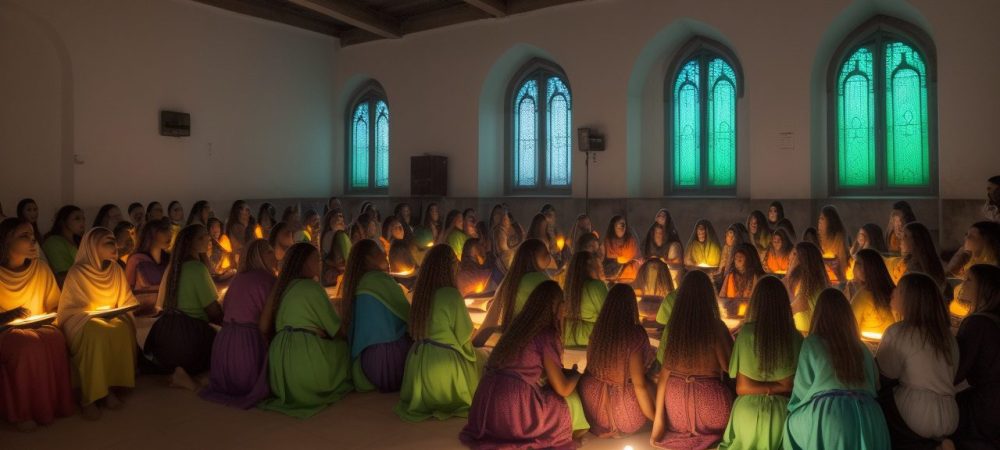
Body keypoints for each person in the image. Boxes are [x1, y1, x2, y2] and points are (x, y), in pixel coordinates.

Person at [460, 281, 590, 449]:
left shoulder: (517, 328)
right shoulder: (546, 334)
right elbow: (562, 388)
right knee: (568, 400)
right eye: (562, 302)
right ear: (556, 307)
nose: (565, 307)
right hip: (513, 406)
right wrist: (577, 375)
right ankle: (566, 435)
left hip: (485, 407)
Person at [782, 289, 890, 450]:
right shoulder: (862, 348)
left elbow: (801, 391)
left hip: (828, 415)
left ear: (818, 315)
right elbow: (876, 385)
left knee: (790, 425)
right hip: (870, 416)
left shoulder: (812, 343)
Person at [258, 243, 352, 418]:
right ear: (303, 263)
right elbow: (338, 331)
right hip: (304, 362)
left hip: (279, 365)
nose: (320, 263)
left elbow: (265, 326)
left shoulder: (283, 288)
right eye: (315, 259)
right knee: (343, 350)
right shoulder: (312, 288)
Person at [395, 244, 486, 422]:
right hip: (445, 369)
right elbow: (464, 336)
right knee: (484, 358)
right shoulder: (451, 295)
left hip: (419, 366)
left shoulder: (421, 295)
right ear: (450, 267)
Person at [0, 218, 74, 431]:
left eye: (33, 236)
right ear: (5, 241)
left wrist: (48, 317)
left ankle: (54, 405)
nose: (33, 242)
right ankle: (24, 413)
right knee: (26, 345)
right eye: (24, 237)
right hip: (6, 332)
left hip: (39, 325)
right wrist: (9, 317)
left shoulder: (41, 269)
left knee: (55, 338)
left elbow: (54, 305)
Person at [57, 227, 138, 419]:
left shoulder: (116, 269)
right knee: (96, 333)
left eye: (113, 241)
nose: (115, 246)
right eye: (108, 243)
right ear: (93, 247)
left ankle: (109, 388)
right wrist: (92, 316)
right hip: (82, 321)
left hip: (110, 318)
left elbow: (127, 300)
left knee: (120, 328)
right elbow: (69, 310)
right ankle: (90, 397)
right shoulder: (77, 273)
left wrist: (122, 311)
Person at [651, 270, 734, 450]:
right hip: (711, 408)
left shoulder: (674, 329)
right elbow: (729, 367)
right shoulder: (715, 326)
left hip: (676, 411)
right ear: (709, 296)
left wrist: (659, 422)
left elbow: (664, 375)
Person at [719, 276, 802, 450]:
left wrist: (757, 386)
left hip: (746, 414)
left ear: (755, 303)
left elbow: (742, 388)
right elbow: (790, 385)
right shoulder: (795, 337)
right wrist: (779, 386)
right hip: (782, 414)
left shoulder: (746, 334)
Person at [877, 273, 958, 450]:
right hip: (950, 413)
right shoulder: (947, 336)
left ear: (909, 299)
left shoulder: (899, 332)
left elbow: (886, 373)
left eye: (898, 290)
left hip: (915, 413)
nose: (892, 293)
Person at [200, 240, 277, 409]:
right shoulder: (268, 280)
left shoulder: (237, 279)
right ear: (259, 257)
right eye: (269, 252)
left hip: (224, 345)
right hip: (248, 346)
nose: (275, 255)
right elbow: (272, 320)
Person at [143, 224, 222, 390]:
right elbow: (213, 312)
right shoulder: (197, 268)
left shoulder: (172, 268)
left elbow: (162, 305)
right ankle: (190, 378)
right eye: (201, 237)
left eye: (207, 235)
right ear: (190, 243)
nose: (208, 239)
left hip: (164, 338)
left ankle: (178, 372)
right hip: (190, 339)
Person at [579, 284, 655, 438]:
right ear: (632, 306)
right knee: (651, 382)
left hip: (592, 405)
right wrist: (656, 419)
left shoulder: (598, 331)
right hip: (622, 408)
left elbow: (589, 366)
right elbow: (639, 385)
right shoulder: (634, 334)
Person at [340, 239, 411, 393]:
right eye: (379, 252)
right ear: (368, 259)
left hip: (367, 364)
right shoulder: (379, 280)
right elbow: (409, 315)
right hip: (391, 361)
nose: (384, 254)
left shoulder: (358, 283)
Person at [952, 264, 1000, 449]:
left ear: (986, 287)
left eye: (969, 280)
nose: (963, 284)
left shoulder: (977, 322)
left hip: (986, 407)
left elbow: (958, 371)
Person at [474, 239, 551, 345]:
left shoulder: (509, 281)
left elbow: (491, 317)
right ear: (534, 258)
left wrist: (474, 343)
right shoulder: (542, 281)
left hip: (511, 339)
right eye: (546, 253)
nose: (549, 256)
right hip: (535, 341)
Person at [124, 218, 171, 313]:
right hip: (143, 313)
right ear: (151, 235)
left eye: (168, 231)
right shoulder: (136, 260)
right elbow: (127, 290)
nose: (169, 235)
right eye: (163, 231)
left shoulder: (169, 260)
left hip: (167, 311)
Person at [562, 251, 608, 347]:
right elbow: (608, 317)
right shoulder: (596, 286)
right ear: (589, 265)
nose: (601, 268)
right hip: (593, 341)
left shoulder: (568, 289)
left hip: (567, 341)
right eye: (598, 265)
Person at [849, 249, 897, 336]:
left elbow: (849, 325)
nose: (855, 266)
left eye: (857, 263)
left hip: (870, 346)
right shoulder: (894, 291)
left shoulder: (863, 296)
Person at [784, 242, 829, 333]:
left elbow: (798, 305)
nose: (790, 257)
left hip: (807, 334)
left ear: (804, 259)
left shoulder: (807, 281)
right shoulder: (815, 281)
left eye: (795, 254)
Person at [888, 222, 947, 290]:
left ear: (917, 240)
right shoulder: (903, 264)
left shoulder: (927, 268)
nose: (901, 240)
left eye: (905, 236)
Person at [42, 205, 85, 285]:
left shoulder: (80, 242)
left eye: (83, 219)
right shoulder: (53, 242)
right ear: (63, 221)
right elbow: (62, 276)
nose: (82, 222)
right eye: (77, 218)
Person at [719, 243, 765, 308]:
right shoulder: (730, 276)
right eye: (735, 258)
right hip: (731, 311)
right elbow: (722, 297)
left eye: (740, 259)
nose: (737, 261)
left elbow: (758, 301)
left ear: (749, 260)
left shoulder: (756, 277)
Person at [602, 215, 641, 282]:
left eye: (623, 225)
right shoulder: (608, 242)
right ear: (613, 227)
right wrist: (617, 260)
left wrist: (628, 262)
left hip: (630, 274)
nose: (622, 228)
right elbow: (605, 260)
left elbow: (637, 259)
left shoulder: (631, 240)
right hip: (612, 275)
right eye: (619, 226)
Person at [818, 205, 850, 284]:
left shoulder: (839, 238)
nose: (819, 221)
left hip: (836, 279)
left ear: (830, 221)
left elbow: (843, 263)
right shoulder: (818, 239)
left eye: (822, 218)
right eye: (819, 219)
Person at [320, 209, 351, 287]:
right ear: (330, 220)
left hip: (330, 276)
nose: (340, 219)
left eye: (341, 216)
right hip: (339, 275)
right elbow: (348, 257)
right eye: (337, 216)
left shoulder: (326, 235)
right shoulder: (339, 235)